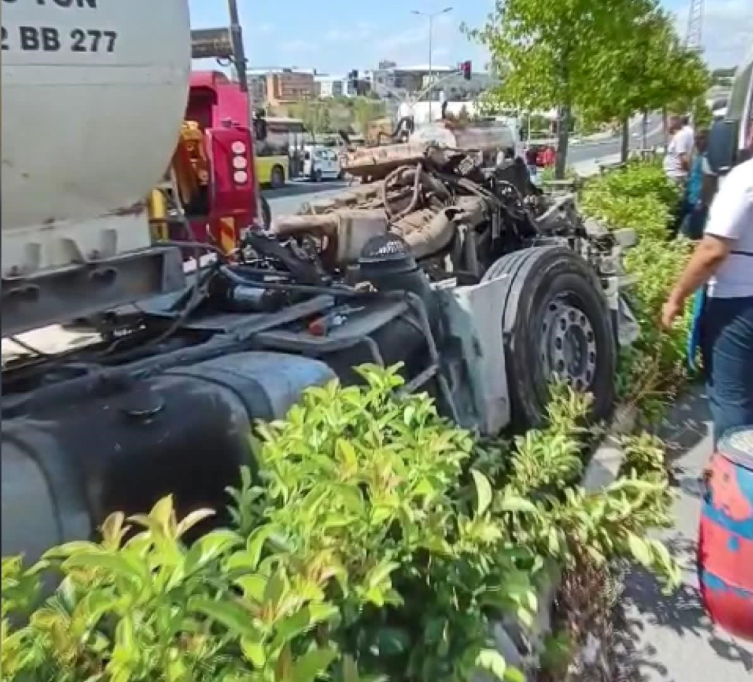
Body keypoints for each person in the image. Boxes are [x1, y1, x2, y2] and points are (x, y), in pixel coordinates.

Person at [661, 129, 753, 442]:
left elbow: (713, 252)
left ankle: (735, 481)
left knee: (732, 399)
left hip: (739, 304)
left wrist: (676, 297)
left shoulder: (745, 178)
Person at [680, 128, 718, 240]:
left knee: (691, 234)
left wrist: (701, 201)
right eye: (696, 138)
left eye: (701, 138)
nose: (697, 141)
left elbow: (708, 182)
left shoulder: (708, 158)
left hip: (699, 203)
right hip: (691, 200)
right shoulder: (699, 157)